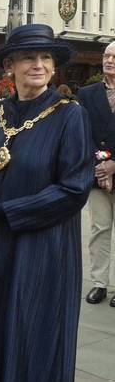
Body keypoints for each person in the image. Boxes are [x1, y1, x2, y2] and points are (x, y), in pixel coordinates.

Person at [0, 24, 93, 382]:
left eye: (46, 58)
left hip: (45, 247)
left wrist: (3, 212)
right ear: (10, 65)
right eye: (28, 57)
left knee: (22, 337)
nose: (38, 65)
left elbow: (73, 190)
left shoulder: (70, 115)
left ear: (54, 66)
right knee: (8, 337)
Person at [76, 42, 115, 305]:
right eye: (106, 55)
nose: (109, 60)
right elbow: (81, 133)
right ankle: (99, 283)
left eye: (114, 57)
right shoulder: (87, 94)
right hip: (98, 172)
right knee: (99, 229)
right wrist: (101, 166)